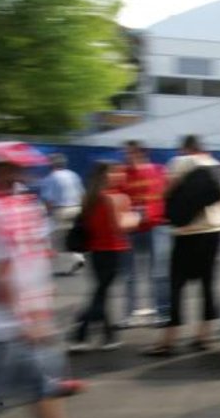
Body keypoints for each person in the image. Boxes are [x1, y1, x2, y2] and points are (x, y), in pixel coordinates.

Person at [0, 144, 98, 418]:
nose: (22, 174)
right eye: (13, 168)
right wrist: (26, 319)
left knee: (41, 380)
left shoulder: (10, 204)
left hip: (12, 318)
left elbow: (25, 257)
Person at [144, 135, 220, 356]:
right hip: (215, 231)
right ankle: (204, 336)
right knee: (208, 283)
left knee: (176, 283)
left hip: (188, 232)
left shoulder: (180, 162)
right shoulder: (216, 165)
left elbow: (167, 191)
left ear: (185, 148)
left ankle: (168, 340)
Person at [69, 162, 140, 352]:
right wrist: (136, 218)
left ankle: (108, 336)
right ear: (106, 176)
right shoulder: (115, 198)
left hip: (95, 251)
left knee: (101, 293)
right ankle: (80, 332)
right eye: (115, 173)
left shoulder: (88, 198)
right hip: (115, 250)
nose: (119, 176)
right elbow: (120, 228)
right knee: (100, 294)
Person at [120, 140, 170, 327]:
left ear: (142, 153)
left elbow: (169, 195)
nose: (126, 157)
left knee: (159, 273)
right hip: (131, 229)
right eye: (126, 153)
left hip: (157, 226)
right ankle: (130, 313)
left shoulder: (159, 170)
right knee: (129, 275)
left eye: (130, 153)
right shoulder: (123, 173)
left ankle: (163, 312)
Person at [39, 153, 85, 276]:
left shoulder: (50, 178)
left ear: (51, 164)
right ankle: (78, 257)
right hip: (77, 208)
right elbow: (82, 194)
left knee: (57, 239)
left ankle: (71, 262)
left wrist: (49, 214)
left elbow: (48, 199)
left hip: (61, 210)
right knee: (72, 236)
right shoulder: (73, 175)